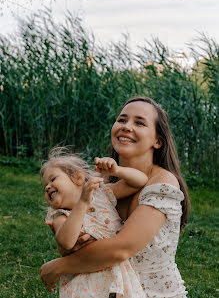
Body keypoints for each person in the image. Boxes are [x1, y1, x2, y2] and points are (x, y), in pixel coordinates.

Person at [40, 96, 190, 298]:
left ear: (158, 141)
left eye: (139, 122)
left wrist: (57, 267)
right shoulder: (99, 182)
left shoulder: (163, 182)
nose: (127, 127)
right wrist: (72, 241)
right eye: (122, 120)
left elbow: (121, 248)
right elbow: (72, 236)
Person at [41, 147, 148, 297]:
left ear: (77, 177)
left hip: (116, 270)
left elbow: (140, 181)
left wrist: (117, 171)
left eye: (53, 179)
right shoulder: (61, 215)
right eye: (45, 186)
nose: (47, 187)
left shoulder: (102, 193)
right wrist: (82, 203)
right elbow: (65, 241)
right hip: (85, 279)